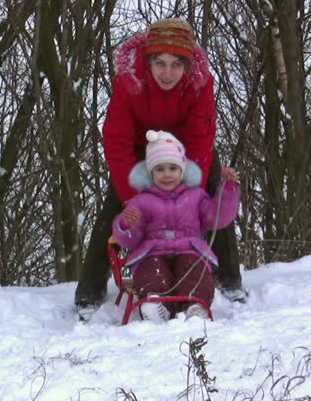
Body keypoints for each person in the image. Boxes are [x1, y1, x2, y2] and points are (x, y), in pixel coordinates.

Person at [76, 17, 247, 316]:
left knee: (212, 199)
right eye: (160, 64)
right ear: (148, 62)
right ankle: (89, 293)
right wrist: (132, 195)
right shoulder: (129, 82)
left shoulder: (200, 84)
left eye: (176, 65)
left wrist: (189, 194)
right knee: (114, 208)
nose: (168, 73)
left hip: (187, 148)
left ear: (187, 66)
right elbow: (116, 139)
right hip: (141, 148)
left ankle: (228, 279)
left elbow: (201, 135)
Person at [111, 130, 240, 322]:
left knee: (196, 269)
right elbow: (131, 241)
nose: (167, 174)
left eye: (173, 168)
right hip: (153, 251)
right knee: (150, 272)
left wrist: (227, 189)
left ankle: (194, 304)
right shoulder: (142, 200)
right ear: (150, 173)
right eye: (160, 169)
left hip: (190, 249)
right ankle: (155, 303)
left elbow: (217, 217)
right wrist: (125, 224)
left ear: (182, 170)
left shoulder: (195, 196)